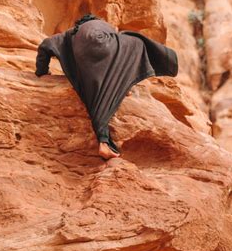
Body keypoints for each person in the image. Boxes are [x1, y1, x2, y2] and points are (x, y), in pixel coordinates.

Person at [35, 14, 178, 160]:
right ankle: (166, 61)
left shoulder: (69, 34)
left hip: (89, 52)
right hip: (106, 47)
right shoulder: (102, 26)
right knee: (137, 43)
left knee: (97, 94)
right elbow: (116, 59)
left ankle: (104, 141)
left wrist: (42, 72)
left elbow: (45, 46)